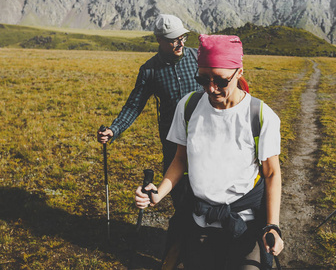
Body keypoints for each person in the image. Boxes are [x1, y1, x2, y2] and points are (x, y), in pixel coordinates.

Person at [135, 34, 284, 269]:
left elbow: (272, 174)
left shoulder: (260, 116)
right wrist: (158, 193)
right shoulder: (188, 106)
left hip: (243, 225)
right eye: (203, 79)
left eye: (221, 81)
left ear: (239, 72)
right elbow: (180, 159)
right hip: (198, 223)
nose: (211, 88)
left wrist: (272, 226)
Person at [97, 14, 199, 207]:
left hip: (204, 137)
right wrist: (114, 129)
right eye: (173, 40)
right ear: (159, 40)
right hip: (173, 140)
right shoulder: (150, 70)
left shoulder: (197, 58)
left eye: (182, 38)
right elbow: (134, 105)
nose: (180, 43)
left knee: (204, 189)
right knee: (179, 193)